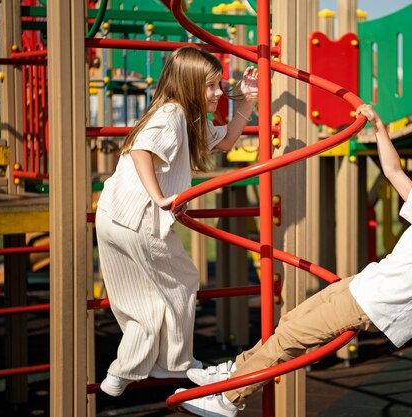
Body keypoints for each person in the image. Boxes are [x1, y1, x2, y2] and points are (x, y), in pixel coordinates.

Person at [176, 104, 412, 416]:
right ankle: (234, 372)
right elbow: (394, 171)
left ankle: (230, 399)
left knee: (291, 337)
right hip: (363, 283)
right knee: (290, 319)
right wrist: (379, 129)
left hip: (374, 305)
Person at [95, 46, 258, 397]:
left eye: (219, 85)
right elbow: (141, 149)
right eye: (211, 86)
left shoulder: (186, 117)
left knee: (142, 299)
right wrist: (160, 197)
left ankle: (122, 372)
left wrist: (248, 100)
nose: (217, 93)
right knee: (183, 281)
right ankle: (179, 364)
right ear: (188, 85)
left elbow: (228, 141)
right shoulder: (171, 115)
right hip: (139, 219)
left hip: (111, 216)